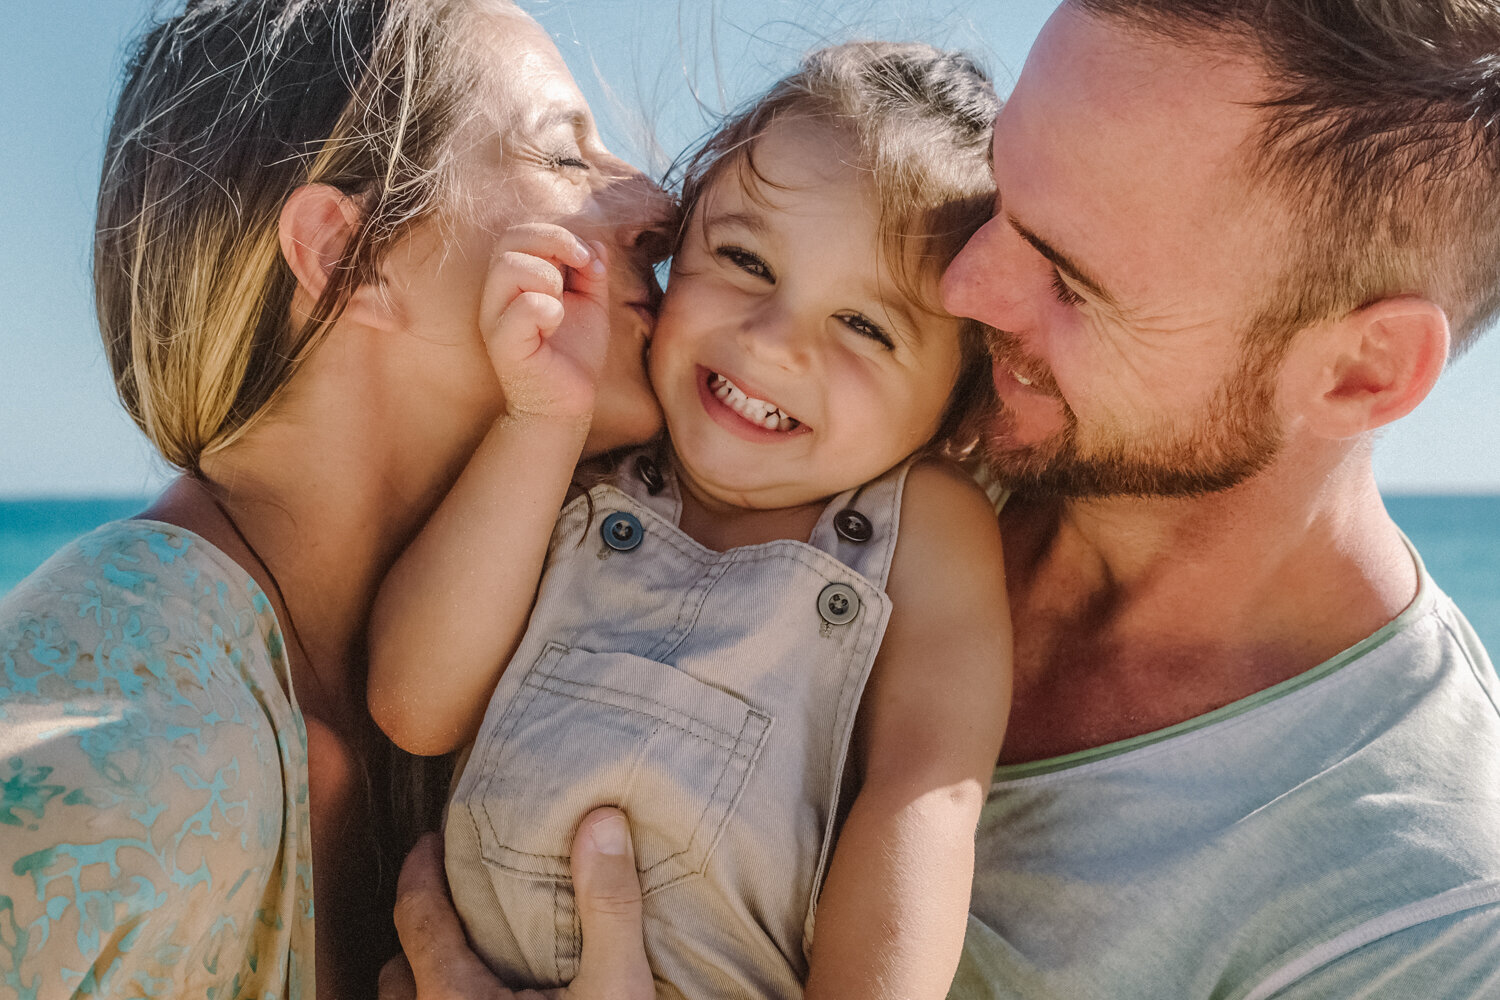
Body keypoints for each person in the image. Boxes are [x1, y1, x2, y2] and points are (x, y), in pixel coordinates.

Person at [387, 1, 1500, 998]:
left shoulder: (1417, 921)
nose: (965, 286)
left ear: (1361, 371)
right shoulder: (751, 446)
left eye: (1072, 276)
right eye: (1002, 193)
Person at [0, 0, 673, 997]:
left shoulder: (513, 664)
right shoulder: (119, 764)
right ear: (344, 257)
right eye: (566, 161)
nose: (660, 204)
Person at [366, 41, 1012, 1000]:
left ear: (957, 403)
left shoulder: (923, 524)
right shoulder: (584, 471)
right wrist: (541, 420)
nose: (772, 342)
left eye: (867, 327)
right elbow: (417, 706)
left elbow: (924, 798)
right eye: (745, 261)